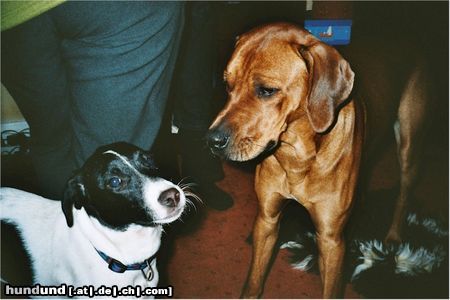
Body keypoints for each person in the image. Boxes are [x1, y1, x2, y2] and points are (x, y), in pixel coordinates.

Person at [1, 1, 184, 199]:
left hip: (11, 13)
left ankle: (67, 223)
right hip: (115, 10)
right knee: (116, 154)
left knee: (51, 141)